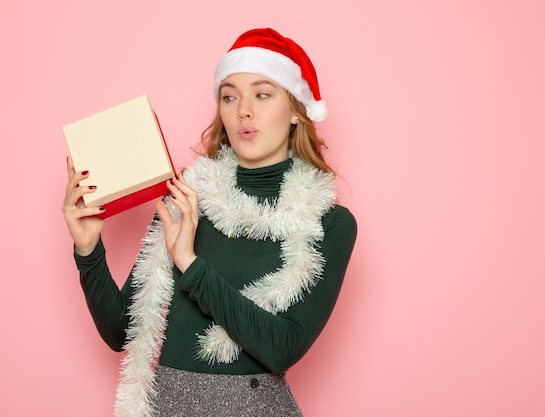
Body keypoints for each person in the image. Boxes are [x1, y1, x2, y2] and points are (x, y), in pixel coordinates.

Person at [63, 28, 357, 417]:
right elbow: (122, 334)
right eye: (229, 95)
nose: (243, 110)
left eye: (263, 93)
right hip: (163, 405)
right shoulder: (186, 200)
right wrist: (89, 252)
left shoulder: (329, 225)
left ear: (296, 112)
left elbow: (281, 349)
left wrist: (189, 262)